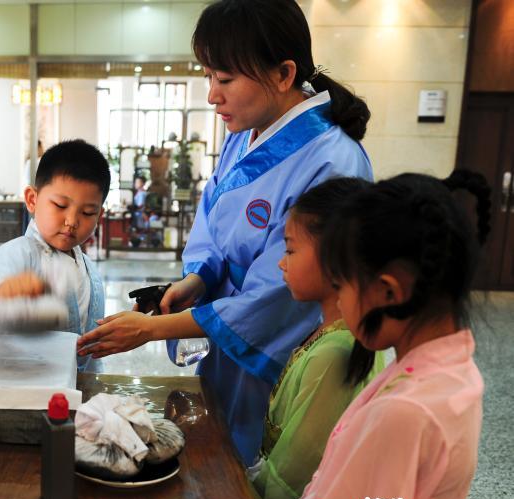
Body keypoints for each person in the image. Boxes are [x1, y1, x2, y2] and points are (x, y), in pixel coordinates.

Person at [76, 0, 373, 465]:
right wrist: (196, 281)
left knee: (268, 473)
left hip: (280, 347)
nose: (212, 95)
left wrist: (152, 330)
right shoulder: (245, 131)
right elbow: (213, 222)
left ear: (283, 73)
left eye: (225, 79)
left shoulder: (333, 162)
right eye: (209, 76)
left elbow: (279, 295)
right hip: (228, 332)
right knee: (222, 457)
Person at [280, 170, 490, 499]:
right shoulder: (447, 370)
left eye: (341, 286)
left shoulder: (406, 411)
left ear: (390, 293)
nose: (338, 302)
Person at [250, 178, 384, 499]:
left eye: (291, 250)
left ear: (334, 259)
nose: (281, 263)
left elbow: (292, 476)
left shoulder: (336, 355)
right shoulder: (329, 334)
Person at [0, 139, 108, 371]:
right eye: (60, 206)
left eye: (87, 212)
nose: (72, 221)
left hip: (80, 391)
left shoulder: (89, 268)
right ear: (33, 200)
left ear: (99, 214)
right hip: (32, 388)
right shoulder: (19, 253)